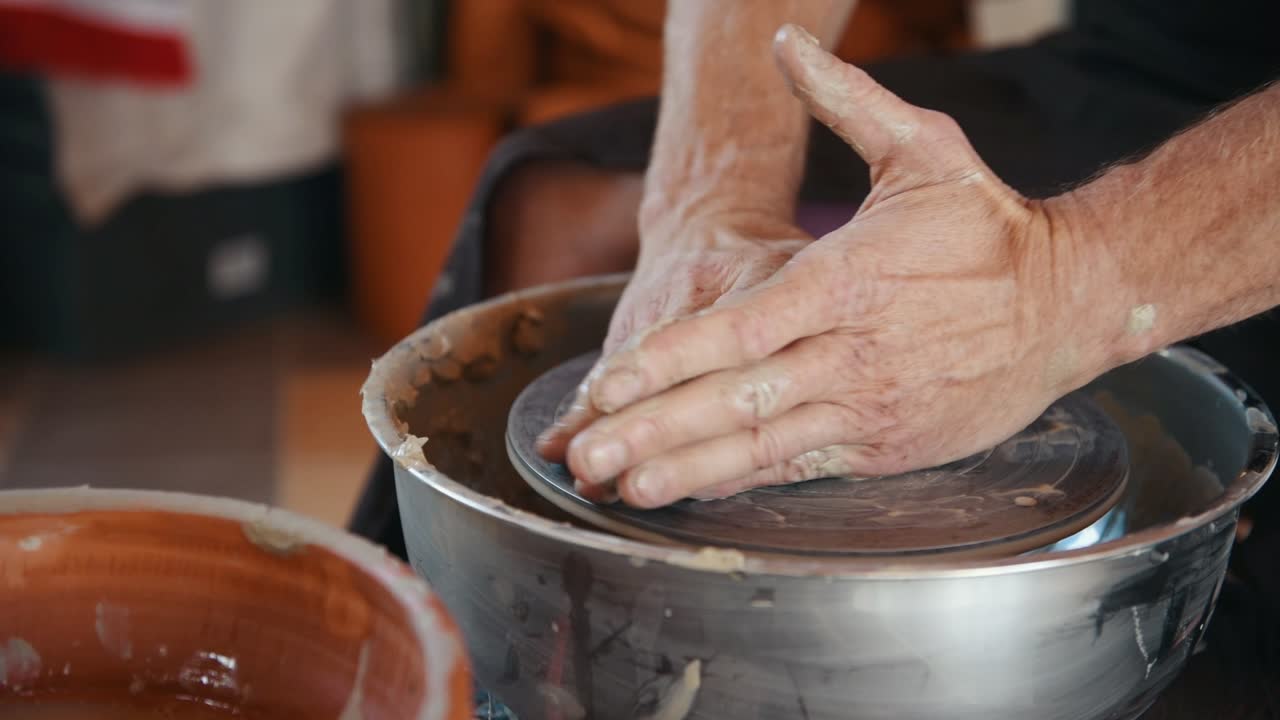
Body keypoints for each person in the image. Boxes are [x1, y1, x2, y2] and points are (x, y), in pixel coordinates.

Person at [351, 2, 1278, 712]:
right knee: (562, 200)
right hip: (1144, 56)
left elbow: (1071, 276)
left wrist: (1064, 281)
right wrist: (707, 200)